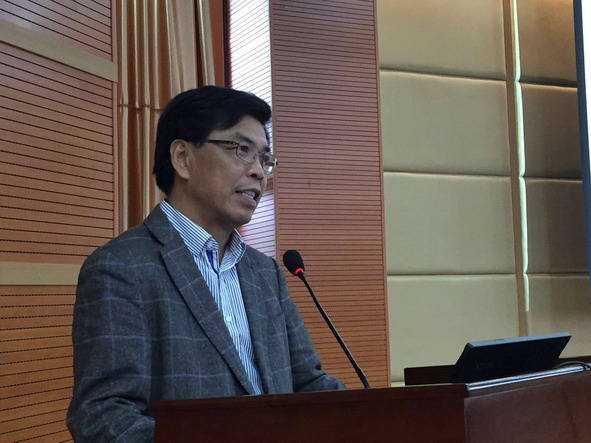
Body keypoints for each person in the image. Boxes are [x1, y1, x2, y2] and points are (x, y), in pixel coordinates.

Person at [66, 86, 345, 442]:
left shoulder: (265, 273)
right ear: (183, 158)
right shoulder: (121, 268)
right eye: (241, 149)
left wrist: (372, 416)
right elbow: (104, 416)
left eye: (265, 159)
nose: (259, 173)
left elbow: (306, 382)